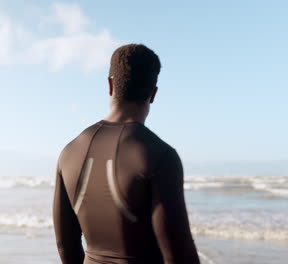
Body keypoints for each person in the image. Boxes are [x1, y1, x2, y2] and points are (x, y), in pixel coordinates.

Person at [53, 44, 200, 264]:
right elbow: (179, 256)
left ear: (110, 85)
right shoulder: (159, 156)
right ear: (153, 94)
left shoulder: (69, 152)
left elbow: (65, 244)